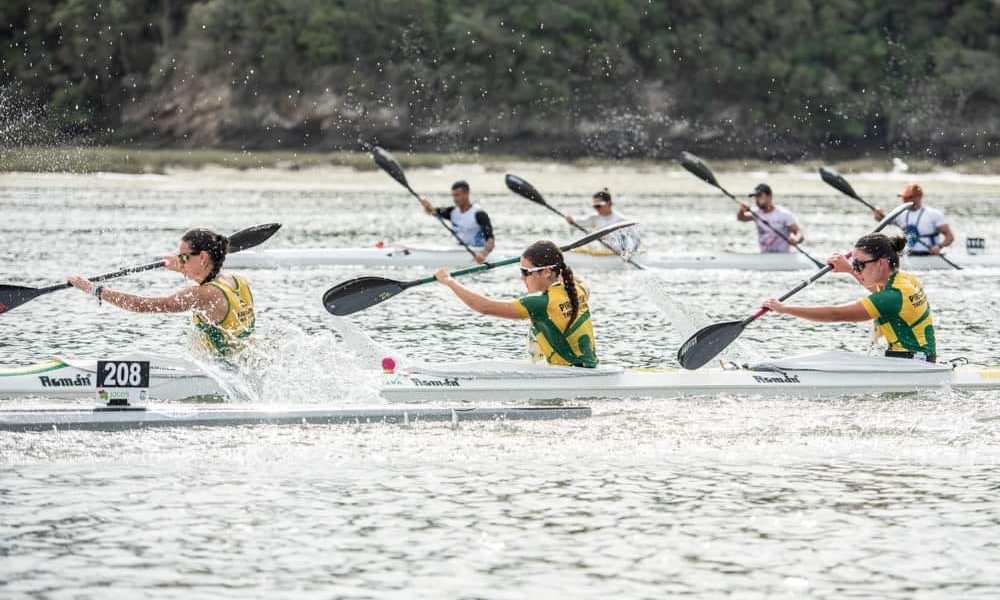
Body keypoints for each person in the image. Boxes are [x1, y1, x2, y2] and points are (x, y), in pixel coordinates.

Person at [68, 229, 255, 359]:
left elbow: (145, 306)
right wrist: (182, 267)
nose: (180, 261)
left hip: (219, 370)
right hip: (238, 362)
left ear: (203, 257)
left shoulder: (204, 294)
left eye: (183, 257)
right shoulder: (238, 282)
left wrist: (95, 290)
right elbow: (209, 280)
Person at [762, 233, 936, 362]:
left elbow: (836, 314)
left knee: (833, 359)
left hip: (911, 366)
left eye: (859, 264)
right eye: (855, 264)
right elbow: (874, 288)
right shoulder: (904, 280)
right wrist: (849, 269)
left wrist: (784, 309)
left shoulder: (891, 297)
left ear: (881, 263)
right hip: (916, 361)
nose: (857, 269)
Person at [433, 240, 598, 367]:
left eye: (526, 272)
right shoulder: (581, 289)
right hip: (587, 368)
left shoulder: (540, 303)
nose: (522, 278)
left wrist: (449, 281)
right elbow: (567, 275)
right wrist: (556, 261)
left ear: (547, 272)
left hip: (568, 373)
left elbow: (484, 307)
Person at [419, 180, 495, 263]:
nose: (455, 199)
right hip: (459, 248)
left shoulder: (479, 214)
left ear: (466, 194)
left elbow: (490, 240)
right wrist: (427, 206)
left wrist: (483, 254)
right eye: (453, 196)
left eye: (457, 195)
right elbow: (432, 211)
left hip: (477, 252)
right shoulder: (452, 212)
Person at [872, 184, 954, 256]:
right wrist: (878, 215)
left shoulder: (934, 214)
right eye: (904, 198)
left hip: (929, 254)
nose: (904, 200)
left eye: (909, 198)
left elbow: (950, 237)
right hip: (908, 255)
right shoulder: (901, 214)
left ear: (919, 197)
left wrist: (939, 246)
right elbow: (884, 221)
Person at [565, 189, 640, 253]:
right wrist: (571, 219)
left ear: (609, 203)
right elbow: (579, 221)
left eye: (598, 206)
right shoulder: (594, 218)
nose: (596, 209)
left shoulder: (622, 220)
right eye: (594, 206)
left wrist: (630, 251)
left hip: (617, 253)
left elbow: (636, 240)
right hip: (602, 251)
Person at [737, 183, 803, 253]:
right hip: (764, 255)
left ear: (769, 196)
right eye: (755, 197)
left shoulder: (784, 214)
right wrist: (742, 210)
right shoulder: (756, 213)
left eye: (759, 196)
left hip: (783, 256)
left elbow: (799, 234)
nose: (757, 199)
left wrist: (796, 239)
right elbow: (741, 218)